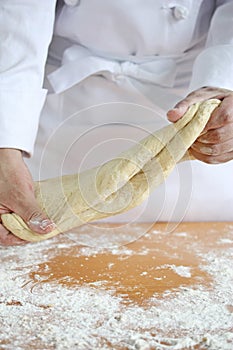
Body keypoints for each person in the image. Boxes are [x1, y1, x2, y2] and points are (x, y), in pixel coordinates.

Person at [1, 0, 233, 246]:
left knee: (200, 247)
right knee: (30, 218)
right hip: (55, 104)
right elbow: (14, 22)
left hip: (194, 95)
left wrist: (225, 80)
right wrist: (4, 147)